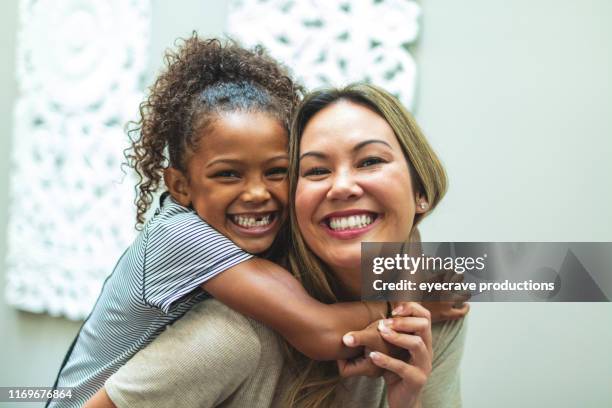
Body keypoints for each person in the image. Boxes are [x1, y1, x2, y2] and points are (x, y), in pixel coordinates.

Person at [50, 36, 457, 407]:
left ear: (421, 192)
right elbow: (319, 330)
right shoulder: (188, 248)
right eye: (316, 170)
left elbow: (493, 274)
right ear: (179, 186)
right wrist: (404, 296)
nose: (258, 193)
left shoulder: (263, 247)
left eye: (277, 171)